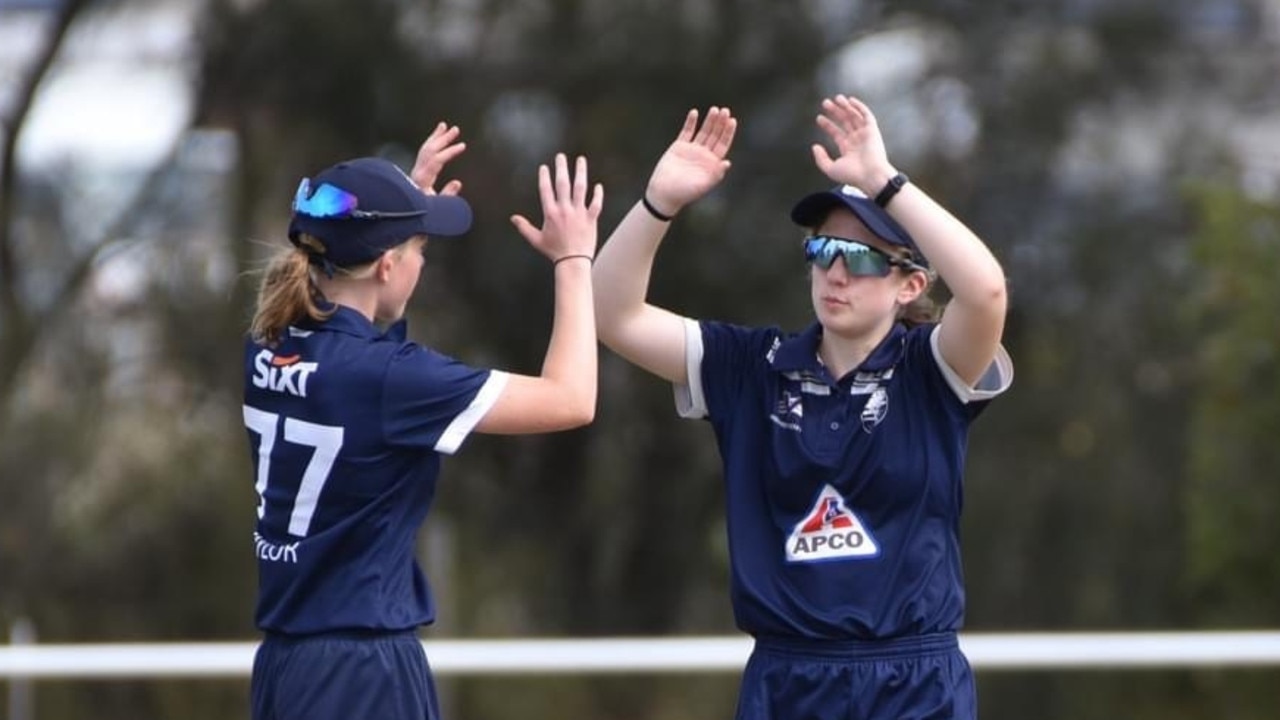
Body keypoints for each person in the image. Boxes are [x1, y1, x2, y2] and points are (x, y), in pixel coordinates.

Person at [593, 95, 1012, 720]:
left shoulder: (933, 369)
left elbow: (985, 290)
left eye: (862, 258)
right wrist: (660, 204)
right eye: (821, 252)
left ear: (911, 286)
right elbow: (611, 315)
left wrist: (884, 182)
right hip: (787, 682)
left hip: (914, 684)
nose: (835, 273)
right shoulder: (750, 367)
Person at [242, 122, 603, 720]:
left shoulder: (265, 345)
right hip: (362, 672)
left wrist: (397, 200)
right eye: (419, 251)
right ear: (388, 265)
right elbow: (572, 399)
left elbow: (345, 337)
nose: (421, 264)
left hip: (284, 667)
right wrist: (573, 260)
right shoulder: (391, 379)